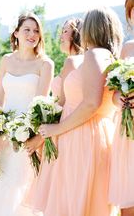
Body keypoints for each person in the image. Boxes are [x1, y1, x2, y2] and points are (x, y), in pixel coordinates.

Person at [0, 12, 54, 216]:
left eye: (36, 31)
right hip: (1, 133)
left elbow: (38, 108)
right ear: (16, 33)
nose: (32, 35)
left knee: (15, 191)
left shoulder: (45, 64)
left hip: (25, 138)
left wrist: (11, 137)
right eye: (27, 30)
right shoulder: (6, 60)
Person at [38, 7, 123, 216]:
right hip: (97, 133)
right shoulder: (110, 58)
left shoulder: (94, 55)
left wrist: (56, 129)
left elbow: (90, 104)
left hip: (81, 136)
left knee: (75, 201)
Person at [26, 17, 84, 213]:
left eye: (66, 31)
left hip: (62, 135)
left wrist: (38, 140)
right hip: (70, 131)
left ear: (77, 35)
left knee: (58, 199)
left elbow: (61, 106)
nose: (61, 35)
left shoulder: (72, 62)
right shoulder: (84, 62)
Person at [109, 0, 134, 216]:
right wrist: (121, 99)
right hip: (128, 129)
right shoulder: (127, 48)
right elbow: (114, 93)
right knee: (128, 191)